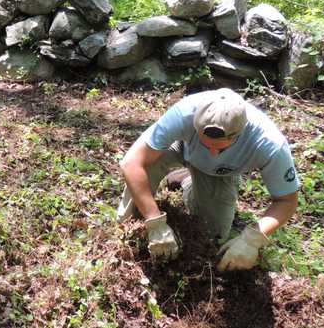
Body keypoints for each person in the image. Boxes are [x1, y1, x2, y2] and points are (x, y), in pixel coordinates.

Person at [117, 88, 300, 271]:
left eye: (220, 149)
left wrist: (252, 239)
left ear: (239, 134)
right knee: (136, 198)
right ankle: (133, 222)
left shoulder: (269, 143)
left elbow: (287, 201)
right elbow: (131, 163)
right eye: (206, 143)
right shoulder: (184, 113)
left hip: (219, 172)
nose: (212, 153)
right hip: (180, 144)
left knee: (212, 236)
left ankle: (188, 181)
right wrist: (154, 222)